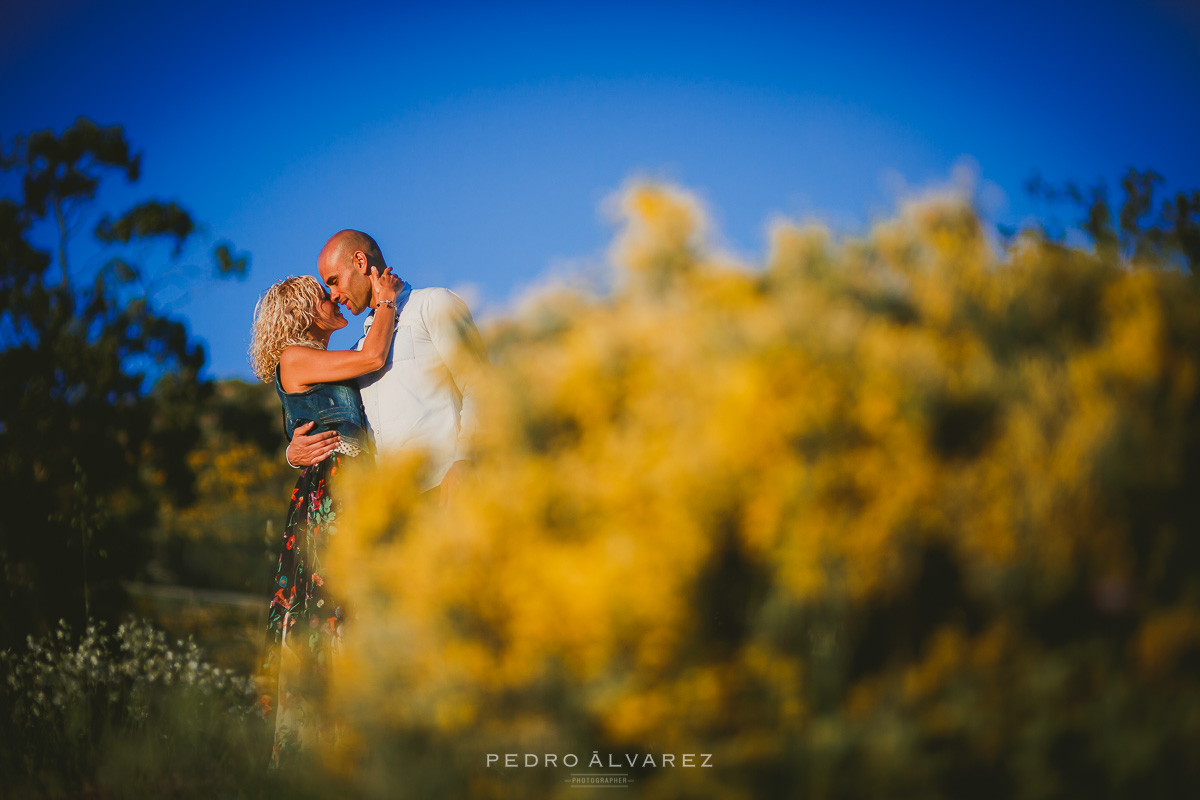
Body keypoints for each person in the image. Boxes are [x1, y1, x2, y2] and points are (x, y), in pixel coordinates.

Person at [247, 265, 401, 766]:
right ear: (300, 313)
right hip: (336, 490)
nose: (335, 297)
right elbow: (374, 355)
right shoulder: (295, 357)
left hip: (345, 484)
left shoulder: (311, 362)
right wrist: (385, 301)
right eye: (324, 295)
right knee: (334, 607)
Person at [284, 230, 487, 507]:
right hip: (396, 512)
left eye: (334, 281)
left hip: (448, 488)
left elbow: (481, 385)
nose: (333, 295)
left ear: (360, 262)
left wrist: (466, 460)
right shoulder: (360, 350)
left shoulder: (432, 304)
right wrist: (293, 452)